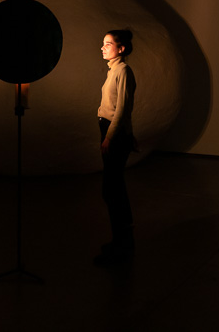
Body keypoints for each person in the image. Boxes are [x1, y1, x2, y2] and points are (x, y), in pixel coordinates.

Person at [95, 29, 137, 266]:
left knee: (112, 190)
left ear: (121, 49)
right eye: (103, 43)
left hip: (115, 135)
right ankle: (121, 240)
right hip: (111, 132)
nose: (103, 47)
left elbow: (122, 109)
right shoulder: (114, 70)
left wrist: (110, 137)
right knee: (113, 188)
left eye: (108, 44)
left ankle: (121, 245)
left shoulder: (123, 71)